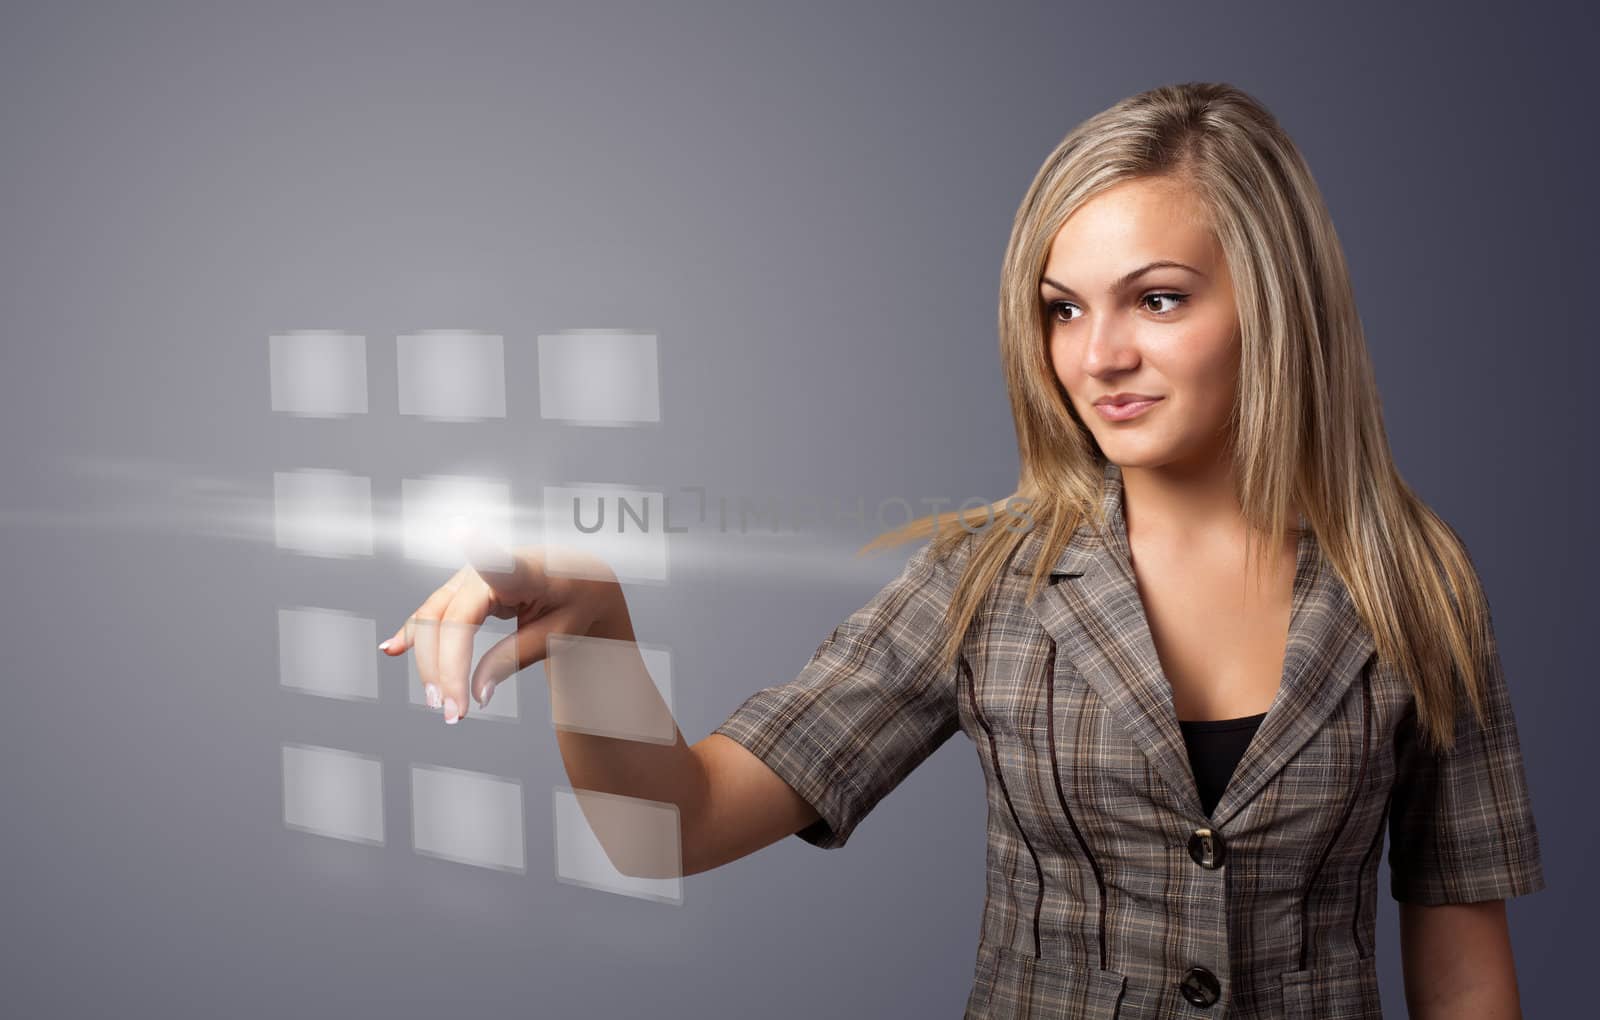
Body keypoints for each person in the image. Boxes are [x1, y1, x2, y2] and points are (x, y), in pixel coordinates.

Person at [379, 81, 1546, 1018]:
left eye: (1158, 299)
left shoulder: (1414, 587)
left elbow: (1462, 970)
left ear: (1275, 305)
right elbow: (668, 826)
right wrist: (593, 620)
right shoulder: (988, 581)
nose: (1097, 357)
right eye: (1062, 308)